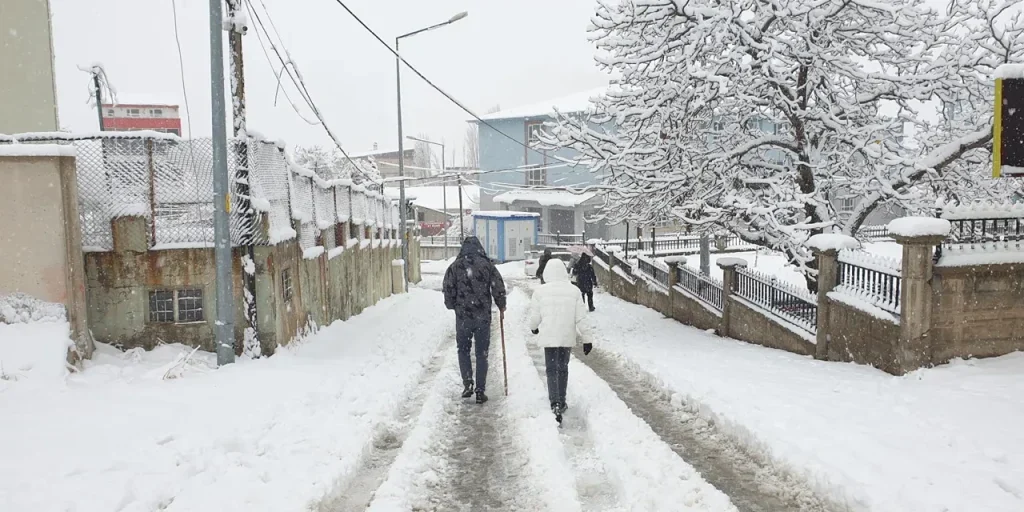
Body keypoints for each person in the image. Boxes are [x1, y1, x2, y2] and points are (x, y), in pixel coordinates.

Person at [443, 236, 507, 404]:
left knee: (463, 350)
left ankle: (467, 383)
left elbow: (448, 289)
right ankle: (480, 390)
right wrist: (501, 305)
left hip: (463, 317)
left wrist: (452, 305)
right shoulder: (487, 266)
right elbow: (498, 286)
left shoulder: (455, 267)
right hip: (482, 317)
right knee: (481, 353)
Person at [528, 260, 592, 422]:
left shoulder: (540, 292)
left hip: (549, 336)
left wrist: (534, 327)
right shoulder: (574, 291)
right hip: (565, 336)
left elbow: (535, 316)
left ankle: (554, 401)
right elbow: (581, 318)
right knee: (562, 367)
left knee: (551, 369)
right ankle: (561, 400)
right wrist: (587, 339)